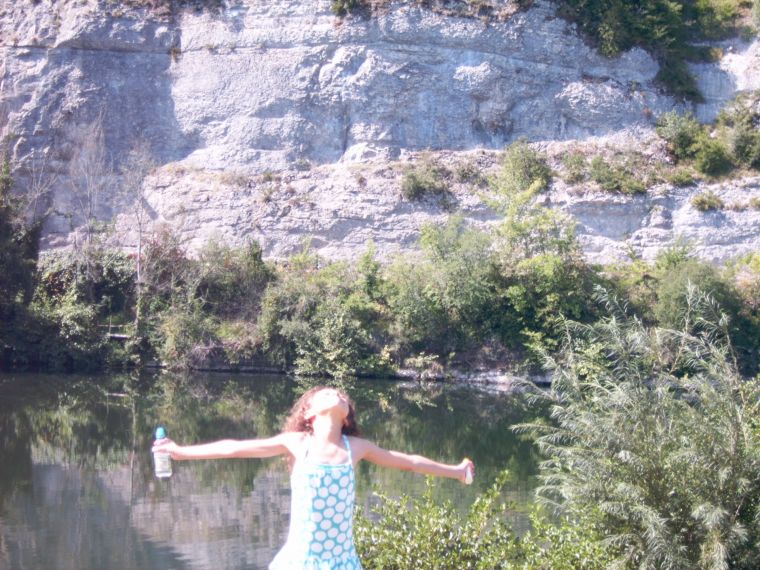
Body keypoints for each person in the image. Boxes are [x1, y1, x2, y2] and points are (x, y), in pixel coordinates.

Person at [151, 385, 475, 570]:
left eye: (341, 395)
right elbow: (234, 448)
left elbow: (409, 462)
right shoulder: (297, 444)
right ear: (308, 413)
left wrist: (456, 471)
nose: (335, 394)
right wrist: (180, 451)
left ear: (346, 415)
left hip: (342, 563)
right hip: (299, 561)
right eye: (326, 393)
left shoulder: (356, 448)